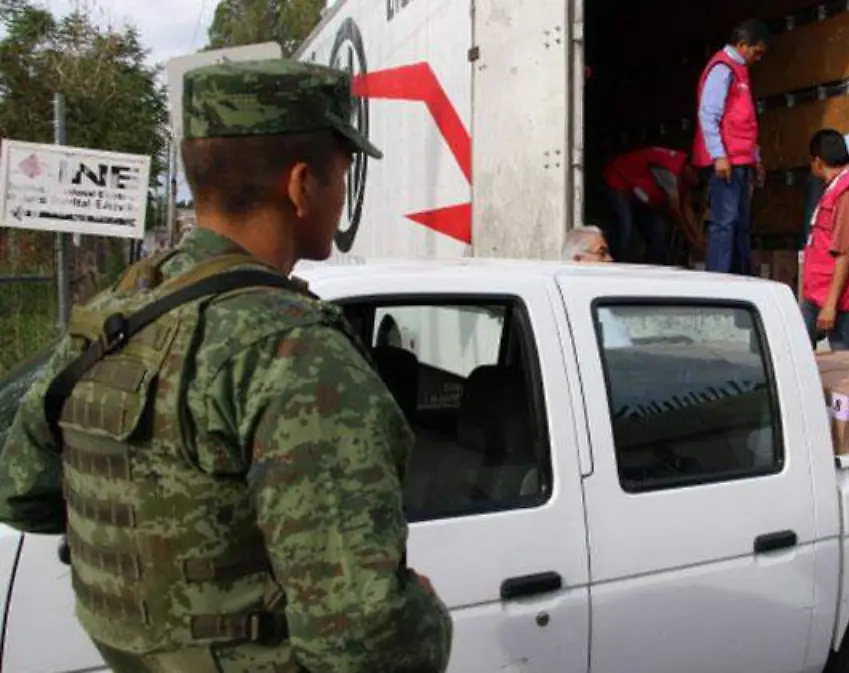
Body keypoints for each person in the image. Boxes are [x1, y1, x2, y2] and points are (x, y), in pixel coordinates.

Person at [0, 59, 452, 673]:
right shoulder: (294, 351)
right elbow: (364, 642)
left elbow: (22, 493)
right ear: (301, 185)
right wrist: (427, 618)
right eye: (343, 175)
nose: (343, 196)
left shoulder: (113, 315)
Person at [692, 18, 770, 275]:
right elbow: (709, 113)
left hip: (741, 160)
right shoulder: (722, 68)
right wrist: (719, 155)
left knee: (740, 224)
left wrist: (755, 158)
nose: (758, 58)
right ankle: (719, 279)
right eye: (756, 52)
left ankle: (739, 278)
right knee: (724, 223)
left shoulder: (739, 71)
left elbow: (745, 122)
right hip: (728, 161)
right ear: (742, 45)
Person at [799, 129, 849, 350]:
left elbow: (845, 252)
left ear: (817, 161)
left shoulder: (848, 189)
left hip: (840, 301)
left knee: (848, 362)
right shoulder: (835, 187)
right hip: (817, 293)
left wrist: (831, 304)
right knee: (800, 354)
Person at [601, 146, 702, 264]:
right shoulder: (669, 170)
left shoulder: (686, 178)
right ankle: (615, 264)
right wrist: (691, 242)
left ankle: (654, 267)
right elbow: (675, 210)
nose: (697, 182)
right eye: (698, 177)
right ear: (689, 168)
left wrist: (698, 237)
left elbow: (686, 206)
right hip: (620, 182)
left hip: (641, 195)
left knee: (657, 230)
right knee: (624, 224)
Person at [562, 226, 633, 347]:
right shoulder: (570, 302)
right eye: (602, 253)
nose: (610, 259)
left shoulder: (599, 298)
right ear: (578, 260)